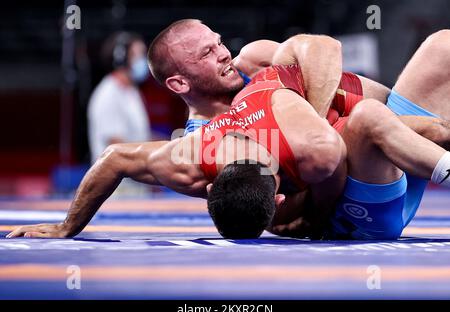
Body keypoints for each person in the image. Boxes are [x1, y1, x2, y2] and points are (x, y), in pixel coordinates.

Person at [6, 63, 450, 240]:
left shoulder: (190, 155)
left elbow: (117, 159)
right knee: (373, 118)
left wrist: (69, 227)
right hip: (365, 213)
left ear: (212, 181)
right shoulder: (319, 150)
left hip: (371, 170)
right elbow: (115, 157)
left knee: (440, 51)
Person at [87, 31, 152, 197]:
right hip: (115, 189)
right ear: (122, 57)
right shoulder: (108, 94)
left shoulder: (132, 92)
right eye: (139, 54)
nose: (144, 60)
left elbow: (140, 137)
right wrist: (158, 164)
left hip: (136, 183)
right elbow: (116, 146)